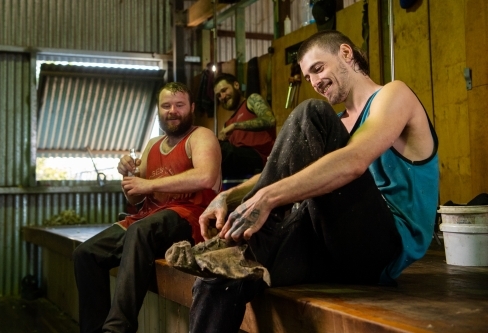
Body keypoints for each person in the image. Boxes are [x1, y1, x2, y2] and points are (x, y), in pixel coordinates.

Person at [189, 30, 439, 332]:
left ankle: (245, 242)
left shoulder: (392, 96)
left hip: (382, 247)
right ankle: (242, 249)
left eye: (318, 69)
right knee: (223, 276)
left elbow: (354, 161)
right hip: (332, 245)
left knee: (311, 113)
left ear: (346, 54)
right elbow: (278, 169)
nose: (315, 82)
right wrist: (226, 197)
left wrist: (266, 198)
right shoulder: (339, 124)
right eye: (308, 77)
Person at [72, 82, 221, 333]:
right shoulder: (152, 144)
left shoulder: (201, 136)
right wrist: (128, 179)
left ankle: (117, 328)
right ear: (158, 111)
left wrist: (147, 185)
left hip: (189, 216)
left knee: (140, 231)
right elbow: (135, 200)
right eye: (166, 106)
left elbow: (206, 176)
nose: (172, 110)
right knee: (86, 255)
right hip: (147, 218)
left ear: (191, 108)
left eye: (179, 105)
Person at [214, 73, 276, 179]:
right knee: (211, 148)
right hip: (240, 163)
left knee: (219, 148)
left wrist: (235, 126)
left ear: (236, 85)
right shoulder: (227, 123)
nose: (222, 97)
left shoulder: (251, 100)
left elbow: (270, 120)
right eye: (219, 95)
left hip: (261, 159)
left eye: (224, 90)